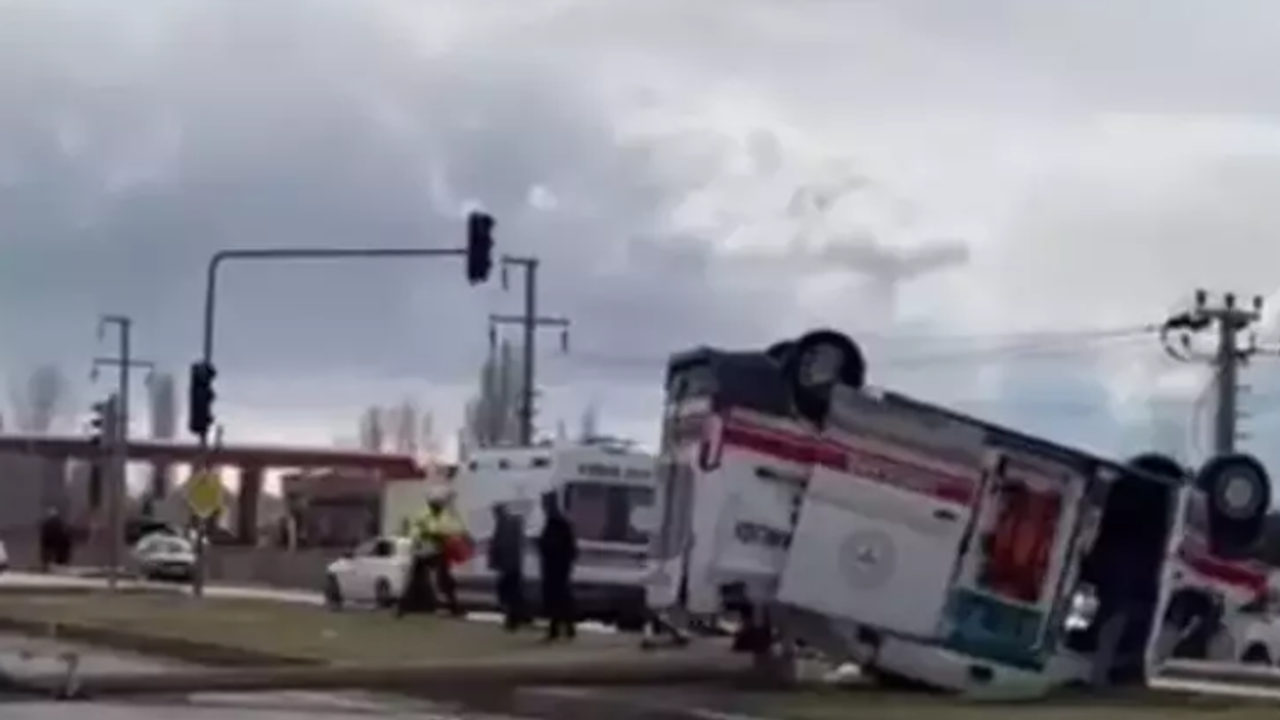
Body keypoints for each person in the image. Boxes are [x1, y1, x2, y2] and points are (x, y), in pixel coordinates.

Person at [399, 489, 467, 617]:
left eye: (440, 504)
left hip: (434, 551)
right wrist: (432, 534)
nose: (440, 506)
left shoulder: (440, 516)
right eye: (438, 504)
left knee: (445, 580)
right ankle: (402, 608)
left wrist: (452, 506)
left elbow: (453, 529)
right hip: (424, 552)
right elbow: (416, 532)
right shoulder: (424, 515)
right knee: (415, 580)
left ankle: (454, 608)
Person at [537, 491, 578, 641]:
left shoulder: (556, 523)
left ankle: (558, 629)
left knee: (558, 598)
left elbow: (560, 546)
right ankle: (564, 628)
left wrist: (544, 546)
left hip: (556, 568)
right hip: (557, 567)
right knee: (560, 598)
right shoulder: (557, 522)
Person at [488, 503, 528, 631]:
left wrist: (496, 562)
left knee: (508, 591)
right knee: (513, 591)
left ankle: (514, 618)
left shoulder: (505, 525)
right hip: (513, 564)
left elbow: (500, 545)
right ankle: (519, 616)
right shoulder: (509, 523)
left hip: (509, 565)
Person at [39, 508, 69, 573]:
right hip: (58, 548)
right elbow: (65, 536)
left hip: (51, 547)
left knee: (50, 562)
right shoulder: (61, 522)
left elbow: (45, 537)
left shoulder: (47, 523)